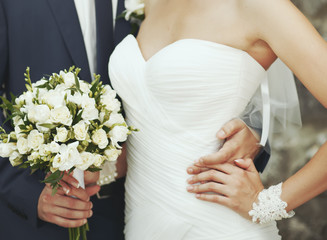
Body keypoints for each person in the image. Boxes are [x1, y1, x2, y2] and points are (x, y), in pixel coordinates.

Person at [0, 0, 266, 239]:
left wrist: (253, 127)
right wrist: (28, 194)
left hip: (153, 210)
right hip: (38, 221)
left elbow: (235, 69)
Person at [108, 0, 327, 239]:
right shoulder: (150, 3)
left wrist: (267, 204)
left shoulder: (262, 7)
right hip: (141, 221)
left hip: (219, 227)